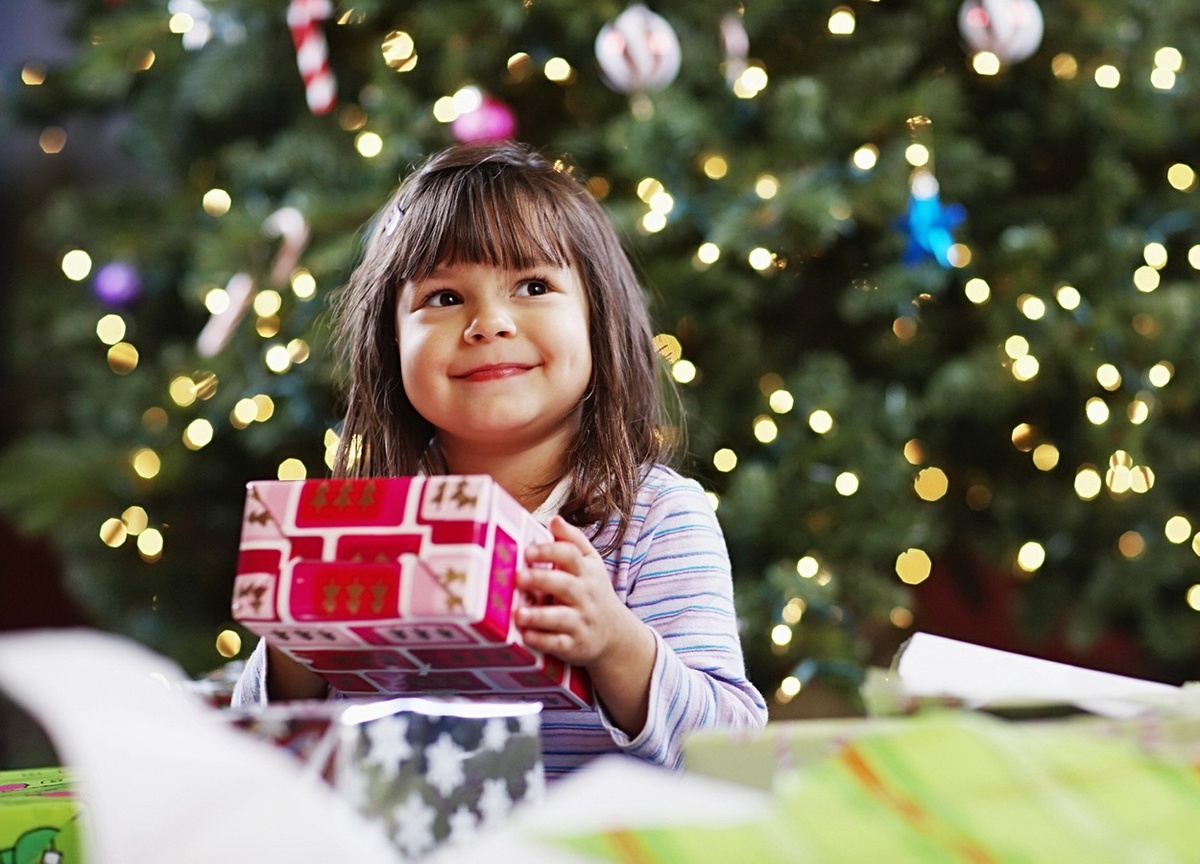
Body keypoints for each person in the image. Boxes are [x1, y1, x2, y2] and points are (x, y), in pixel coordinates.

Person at [233, 141, 768, 776]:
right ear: (391, 343)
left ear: (599, 322)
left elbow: (733, 752)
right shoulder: (366, 528)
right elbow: (260, 758)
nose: (489, 323)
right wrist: (296, 640)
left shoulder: (655, 518)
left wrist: (615, 643)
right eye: (445, 297)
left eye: (534, 285)